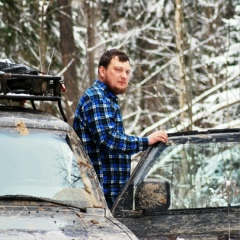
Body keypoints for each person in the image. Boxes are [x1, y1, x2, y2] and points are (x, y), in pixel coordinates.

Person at [73, 49, 168, 208]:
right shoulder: (96, 97)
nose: (124, 76)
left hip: (107, 199)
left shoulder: (108, 99)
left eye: (127, 72)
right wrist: (146, 141)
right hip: (98, 200)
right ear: (102, 71)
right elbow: (108, 141)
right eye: (118, 70)